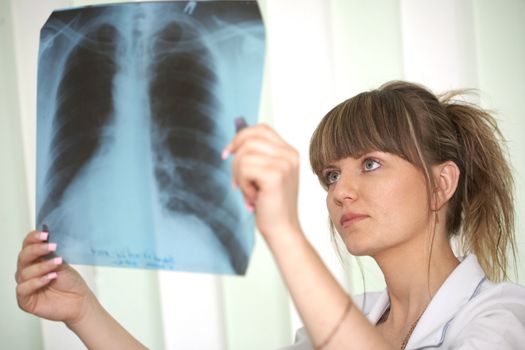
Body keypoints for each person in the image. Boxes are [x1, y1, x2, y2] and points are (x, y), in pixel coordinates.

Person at [16, 81, 525, 349]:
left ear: (442, 184)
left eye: (370, 164)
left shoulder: (502, 317)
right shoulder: (348, 320)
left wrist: (282, 230)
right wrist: (84, 314)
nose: (341, 191)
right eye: (330, 175)